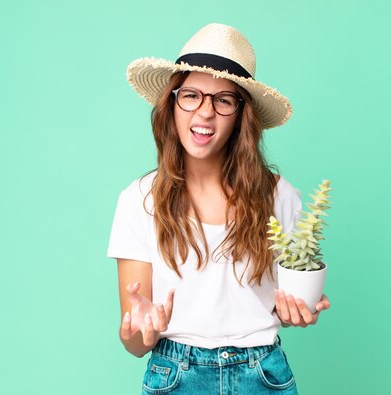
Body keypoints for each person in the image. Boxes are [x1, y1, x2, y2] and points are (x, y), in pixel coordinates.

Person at [107, 23, 330, 395]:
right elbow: (134, 343)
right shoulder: (138, 200)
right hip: (174, 376)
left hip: (263, 375)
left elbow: (281, 306)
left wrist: (296, 312)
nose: (205, 112)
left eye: (223, 100)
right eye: (191, 95)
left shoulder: (280, 196)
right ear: (172, 104)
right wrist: (140, 330)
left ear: (242, 113)